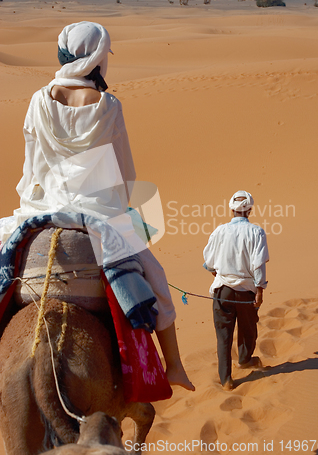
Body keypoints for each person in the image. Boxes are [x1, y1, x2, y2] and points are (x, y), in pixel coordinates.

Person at [0, 21, 194, 391]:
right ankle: (174, 366)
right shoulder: (108, 106)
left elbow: (31, 165)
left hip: (40, 207)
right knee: (156, 282)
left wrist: (35, 200)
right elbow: (124, 171)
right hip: (99, 213)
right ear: (98, 58)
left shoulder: (38, 100)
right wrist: (125, 212)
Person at [203, 190, 269, 391]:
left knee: (223, 335)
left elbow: (208, 262)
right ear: (250, 210)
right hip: (246, 291)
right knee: (248, 328)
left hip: (222, 291)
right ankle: (244, 359)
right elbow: (258, 265)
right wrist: (260, 290)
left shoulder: (219, 231)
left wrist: (220, 274)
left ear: (231, 209)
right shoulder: (257, 232)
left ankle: (226, 380)